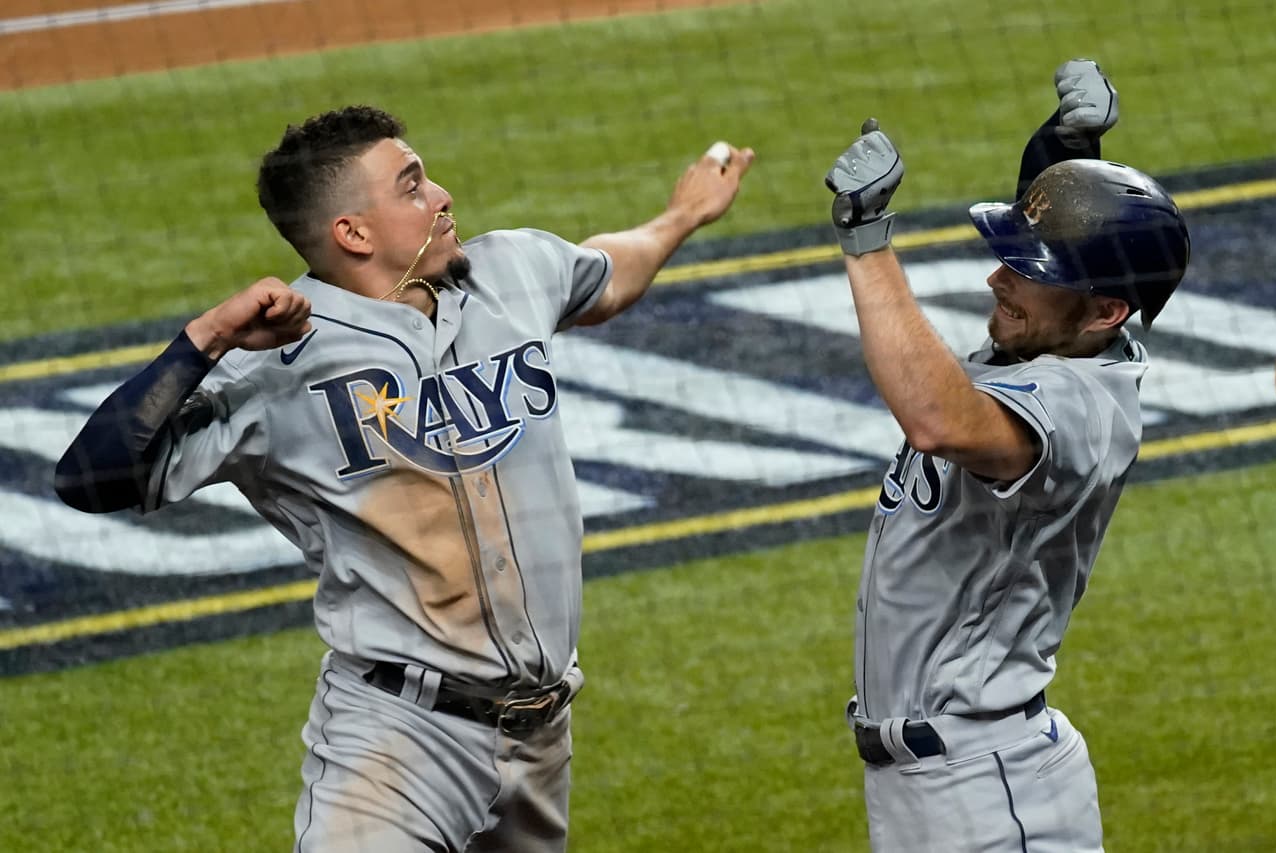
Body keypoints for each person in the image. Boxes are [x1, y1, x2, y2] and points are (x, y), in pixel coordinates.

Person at [54, 105, 753, 852]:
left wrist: (683, 215)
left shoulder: (513, 270)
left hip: (542, 737)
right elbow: (91, 479)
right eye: (412, 186)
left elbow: (607, 274)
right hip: (396, 743)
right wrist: (210, 338)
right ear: (353, 233)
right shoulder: (275, 366)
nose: (442, 195)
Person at [824, 61, 1189, 851]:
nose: (998, 278)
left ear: (1107, 311)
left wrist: (866, 241)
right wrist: (1066, 157)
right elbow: (1051, 289)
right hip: (939, 784)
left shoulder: (1083, 409)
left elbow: (935, 418)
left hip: (989, 794)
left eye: (1030, 270)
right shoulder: (1056, 341)